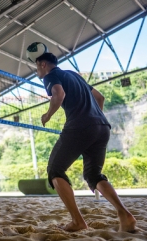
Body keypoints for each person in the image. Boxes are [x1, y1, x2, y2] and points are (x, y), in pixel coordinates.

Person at [36, 52, 136, 232]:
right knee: (93, 174)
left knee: (55, 170)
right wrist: (95, 119)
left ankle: (77, 221)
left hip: (80, 126)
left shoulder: (51, 75)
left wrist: (48, 115)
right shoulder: (73, 75)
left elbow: (58, 94)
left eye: (37, 67)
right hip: (102, 125)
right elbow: (100, 98)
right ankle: (124, 214)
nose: (37, 71)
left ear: (43, 64)